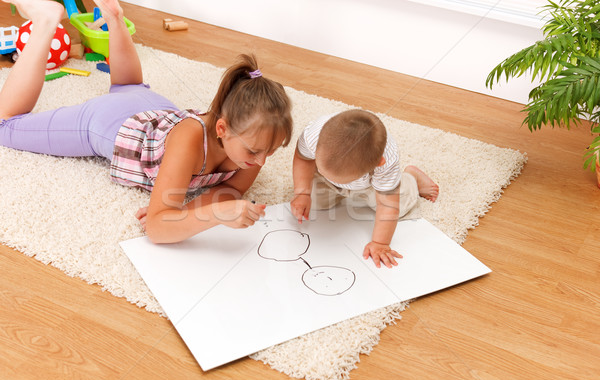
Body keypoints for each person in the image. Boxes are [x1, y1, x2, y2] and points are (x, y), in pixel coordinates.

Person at [0, 0, 293, 244]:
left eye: (271, 151)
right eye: (255, 151)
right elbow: (156, 229)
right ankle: (46, 22)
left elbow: (227, 193)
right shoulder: (190, 141)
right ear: (222, 129)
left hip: (156, 110)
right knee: (5, 126)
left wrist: (189, 211)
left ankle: (114, 20)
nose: (262, 161)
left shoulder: (251, 149)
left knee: (130, 86)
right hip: (112, 123)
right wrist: (212, 215)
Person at [290, 109, 439, 268]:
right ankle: (324, 178)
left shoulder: (386, 161)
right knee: (314, 202)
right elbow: (303, 158)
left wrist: (380, 242)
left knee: (401, 206)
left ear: (377, 163)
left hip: (368, 186)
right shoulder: (313, 135)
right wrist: (302, 192)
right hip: (322, 177)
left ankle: (411, 177)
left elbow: (388, 206)